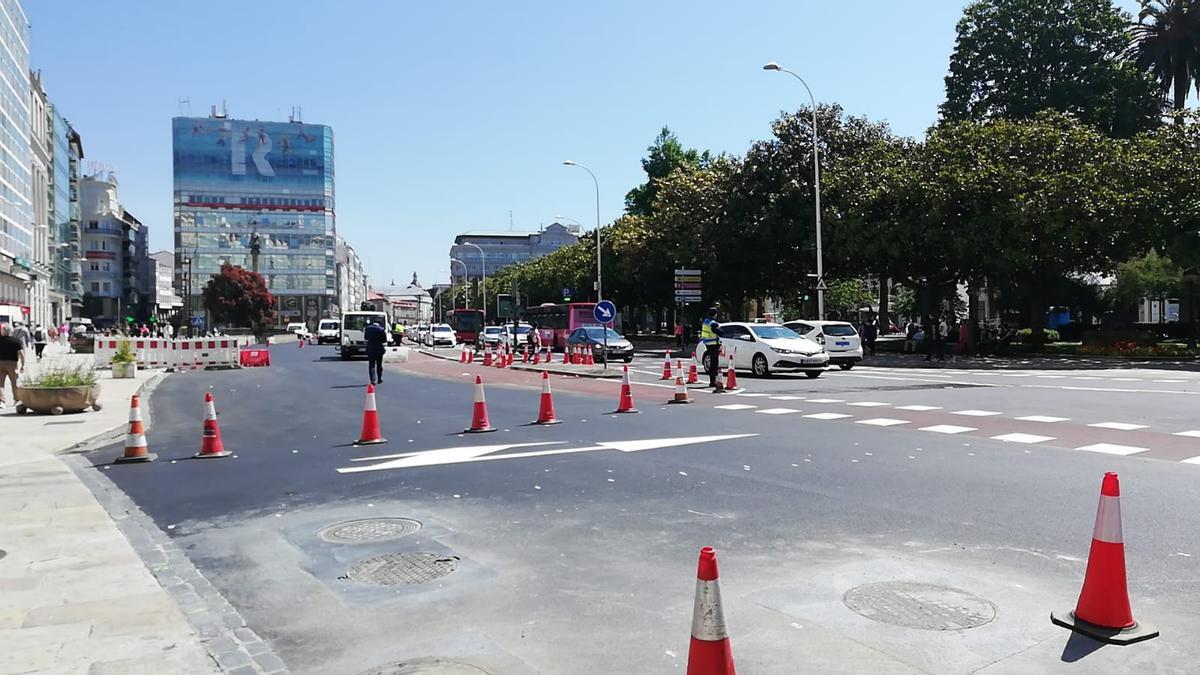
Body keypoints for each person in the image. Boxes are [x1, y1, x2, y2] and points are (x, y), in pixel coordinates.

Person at [0, 324, 24, 409]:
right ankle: (16, 400)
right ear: (11, 331)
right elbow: (22, 354)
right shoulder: (16, 341)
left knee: (0, 383)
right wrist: (22, 365)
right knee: (14, 383)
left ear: (2, 331)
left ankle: (2, 401)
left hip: (1, 363)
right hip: (12, 364)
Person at [699, 306, 723, 388]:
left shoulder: (706, 321)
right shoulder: (713, 323)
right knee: (714, 364)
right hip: (713, 344)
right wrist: (721, 330)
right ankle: (713, 381)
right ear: (715, 314)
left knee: (712, 363)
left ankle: (712, 381)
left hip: (707, 343)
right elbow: (719, 332)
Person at [364, 316, 388, 385]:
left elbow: (365, 338)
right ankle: (379, 378)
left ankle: (372, 380)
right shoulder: (381, 329)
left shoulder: (368, 329)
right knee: (379, 365)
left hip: (371, 349)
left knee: (371, 365)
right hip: (379, 349)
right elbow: (384, 340)